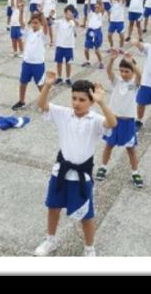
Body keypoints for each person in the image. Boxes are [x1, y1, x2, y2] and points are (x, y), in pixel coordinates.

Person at [34, 73, 117, 257]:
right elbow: (42, 105)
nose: (76, 103)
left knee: (86, 215)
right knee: (53, 207)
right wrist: (47, 86)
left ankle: (89, 248)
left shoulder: (95, 119)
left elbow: (112, 123)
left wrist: (102, 103)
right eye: (74, 98)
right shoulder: (65, 114)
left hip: (82, 175)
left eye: (82, 100)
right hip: (61, 171)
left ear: (91, 101)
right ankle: (50, 240)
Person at [96, 49, 143, 187]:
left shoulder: (135, 84)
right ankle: (103, 167)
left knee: (131, 149)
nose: (123, 73)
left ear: (132, 72)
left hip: (128, 122)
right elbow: (109, 71)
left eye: (126, 71)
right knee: (108, 145)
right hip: (114, 120)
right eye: (121, 71)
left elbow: (139, 74)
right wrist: (111, 60)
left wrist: (131, 62)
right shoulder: (117, 81)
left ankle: (135, 172)